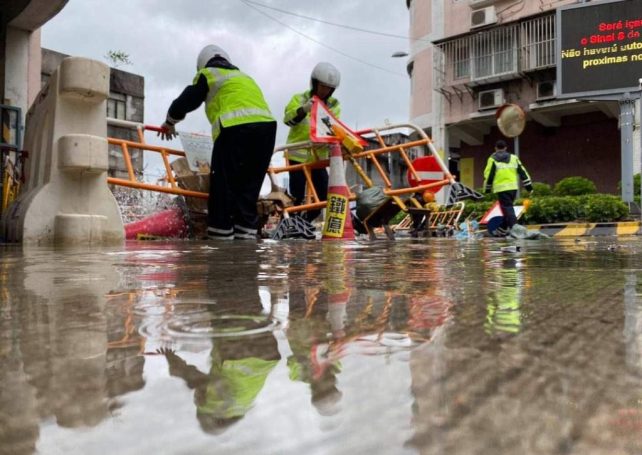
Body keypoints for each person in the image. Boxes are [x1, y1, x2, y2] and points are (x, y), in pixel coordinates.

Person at [159, 44, 277, 240]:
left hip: (235, 129)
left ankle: (220, 244)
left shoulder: (209, 73)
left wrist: (170, 121)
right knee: (248, 190)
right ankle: (245, 246)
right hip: (266, 131)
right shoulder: (245, 77)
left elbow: (188, 99)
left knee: (224, 187)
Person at [283, 62, 341, 222]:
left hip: (318, 157)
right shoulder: (299, 98)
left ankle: (303, 222)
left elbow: (333, 127)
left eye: (329, 88)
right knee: (297, 196)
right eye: (322, 86)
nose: (325, 91)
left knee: (323, 196)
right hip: (298, 155)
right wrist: (303, 109)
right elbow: (287, 120)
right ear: (315, 83)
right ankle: (292, 224)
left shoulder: (334, 105)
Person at [483, 139, 533, 235]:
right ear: (505, 148)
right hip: (513, 188)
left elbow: (489, 175)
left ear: (495, 148)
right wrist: (529, 187)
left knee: (508, 208)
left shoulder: (492, 159)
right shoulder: (514, 158)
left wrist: (487, 189)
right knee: (508, 209)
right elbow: (523, 172)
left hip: (501, 189)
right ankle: (502, 229)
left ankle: (515, 229)